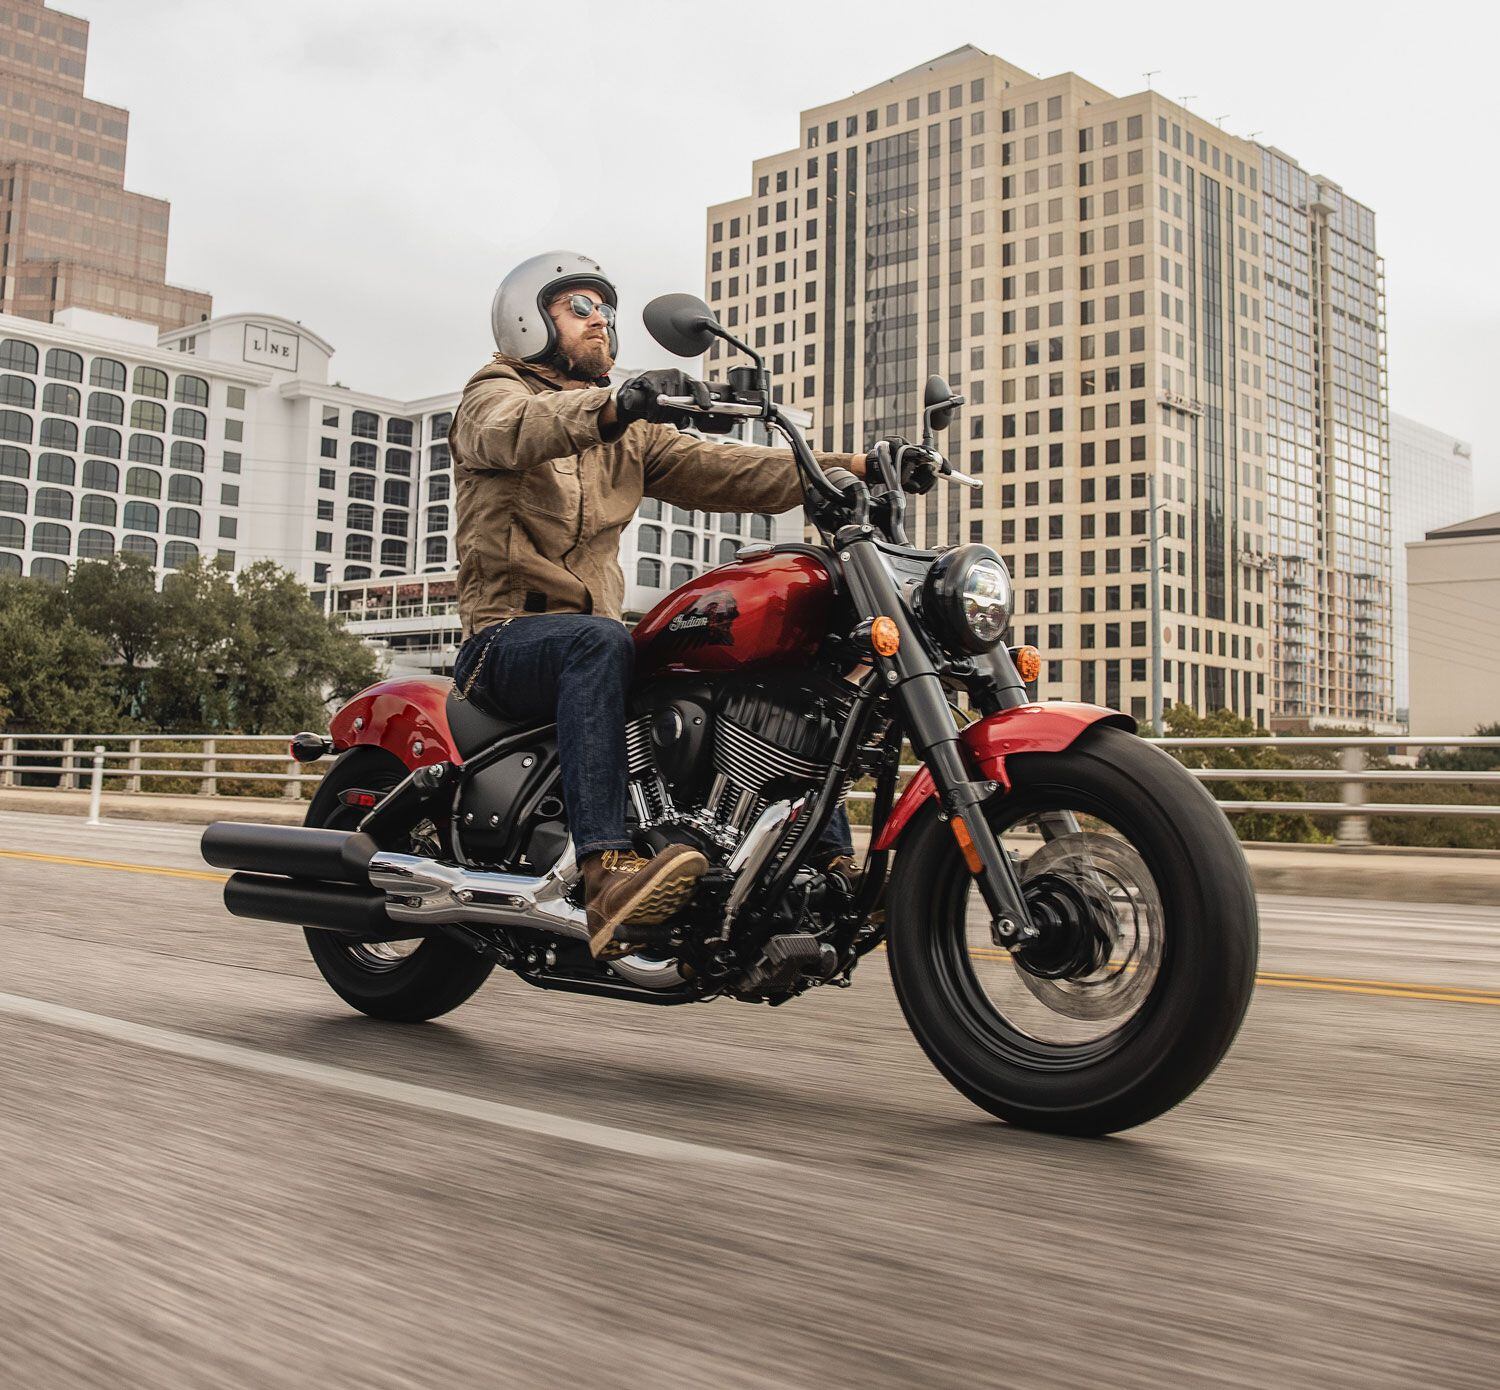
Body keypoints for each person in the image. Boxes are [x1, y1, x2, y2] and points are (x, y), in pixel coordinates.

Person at [449, 251, 868, 960]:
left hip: (591, 638)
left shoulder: (631, 432)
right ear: (529, 319)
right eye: (579, 308)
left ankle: (826, 867)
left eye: (606, 312)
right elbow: (517, 430)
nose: (600, 322)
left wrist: (852, 466)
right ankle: (605, 871)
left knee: (773, 655)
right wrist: (614, 404)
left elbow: (726, 469)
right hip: (506, 640)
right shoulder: (495, 393)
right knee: (598, 641)